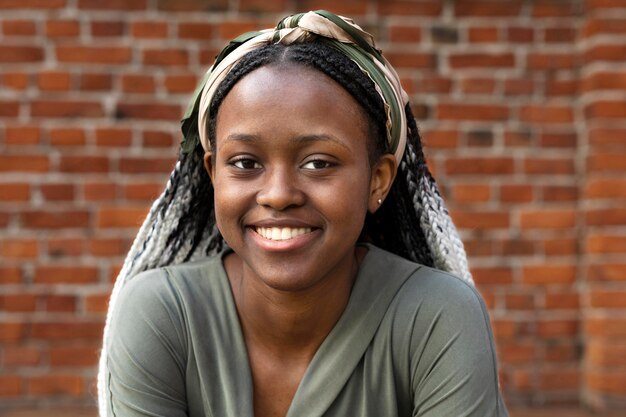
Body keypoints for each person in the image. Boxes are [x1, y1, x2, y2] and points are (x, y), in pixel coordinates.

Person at [98, 10, 509, 417]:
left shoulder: (435, 318)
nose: (278, 195)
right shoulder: (164, 315)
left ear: (377, 180)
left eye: (318, 163)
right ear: (212, 174)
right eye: (244, 162)